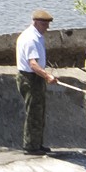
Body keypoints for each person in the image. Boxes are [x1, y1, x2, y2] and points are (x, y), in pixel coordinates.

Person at [15, 8, 58, 155]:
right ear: (36, 23)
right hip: (30, 78)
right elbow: (33, 64)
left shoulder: (36, 36)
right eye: (44, 25)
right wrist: (47, 76)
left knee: (39, 110)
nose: (47, 28)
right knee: (33, 111)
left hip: (35, 77)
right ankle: (31, 146)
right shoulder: (30, 39)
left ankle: (37, 143)